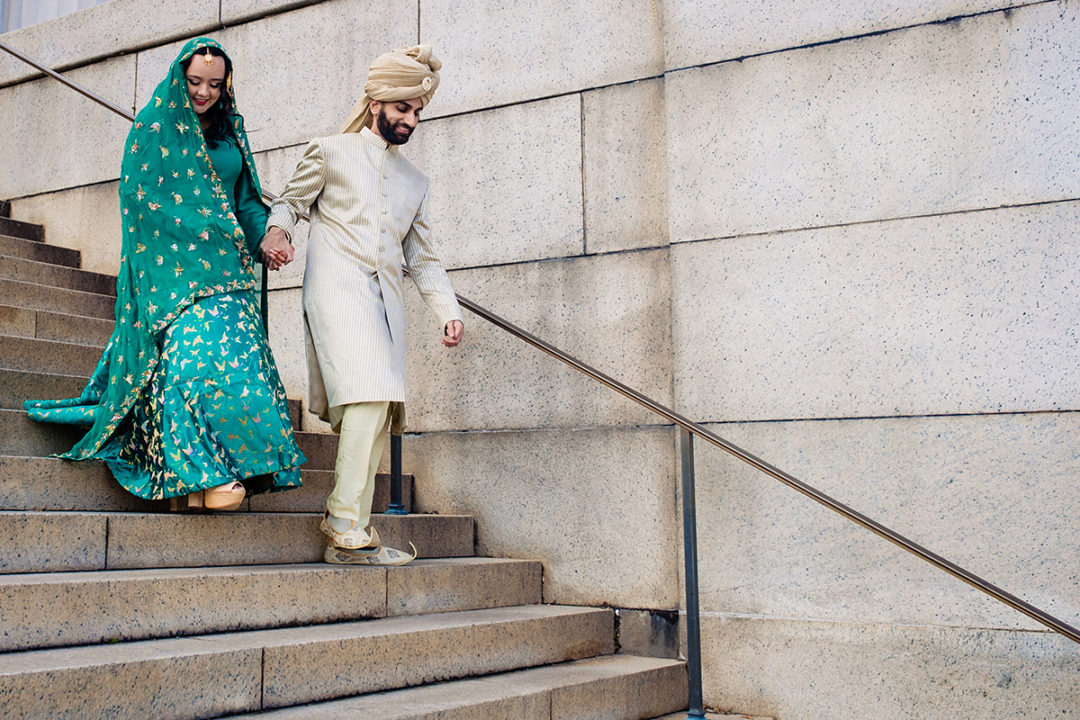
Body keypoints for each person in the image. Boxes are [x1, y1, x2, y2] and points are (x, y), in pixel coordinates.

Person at [25, 37, 305, 510]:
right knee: (192, 367)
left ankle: (224, 474)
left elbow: (244, 203)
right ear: (179, 76)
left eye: (215, 84)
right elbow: (138, 204)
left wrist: (266, 240)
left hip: (229, 275)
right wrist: (186, 240)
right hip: (174, 279)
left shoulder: (228, 130)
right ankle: (201, 475)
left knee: (239, 372)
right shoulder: (154, 127)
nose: (204, 93)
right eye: (195, 82)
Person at [260, 44, 464, 565]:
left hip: (385, 305)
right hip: (335, 288)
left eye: (418, 111)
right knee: (370, 395)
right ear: (376, 102)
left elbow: (422, 257)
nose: (411, 119)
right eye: (403, 108)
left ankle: (350, 527)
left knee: (377, 412)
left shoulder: (415, 181)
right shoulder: (329, 151)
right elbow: (290, 201)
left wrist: (448, 310)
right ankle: (343, 521)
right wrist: (279, 232)